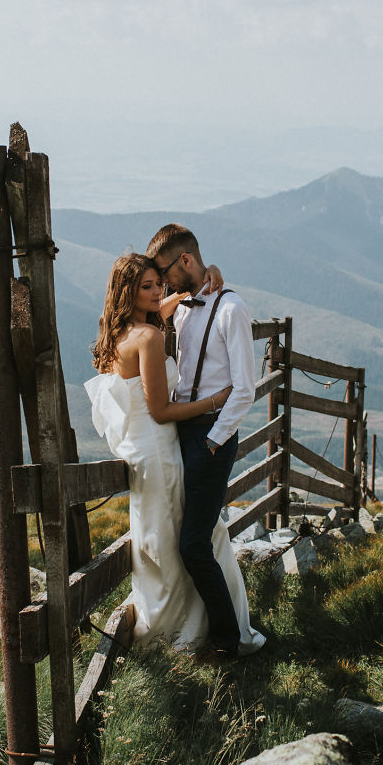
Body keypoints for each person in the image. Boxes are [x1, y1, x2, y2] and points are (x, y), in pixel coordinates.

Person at [85, 253, 264, 657]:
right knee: (176, 542)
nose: (157, 293)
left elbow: (182, 290)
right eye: (146, 287)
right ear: (128, 291)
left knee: (159, 538)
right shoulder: (149, 338)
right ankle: (192, 629)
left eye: (157, 284)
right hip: (161, 449)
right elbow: (162, 410)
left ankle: (183, 624)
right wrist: (216, 400)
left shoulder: (120, 332)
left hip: (141, 449)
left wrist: (210, 271)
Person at [147, 224, 258, 660]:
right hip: (181, 431)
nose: (163, 283)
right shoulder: (181, 309)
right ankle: (198, 626)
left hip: (212, 435)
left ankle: (229, 641)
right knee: (189, 536)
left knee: (193, 543)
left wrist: (212, 441)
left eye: (166, 272)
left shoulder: (232, 310)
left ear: (186, 261)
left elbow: (244, 387)